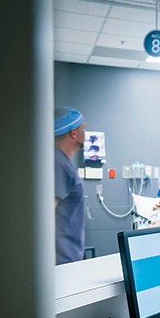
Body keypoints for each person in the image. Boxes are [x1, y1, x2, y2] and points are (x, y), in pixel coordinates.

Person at [54, 106, 86, 265]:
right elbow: (44, 215)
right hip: (61, 262)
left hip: (68, 259)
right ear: (73, 133)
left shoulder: (62, 162)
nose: (85, 134)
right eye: (83, 129)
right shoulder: (58, 163)